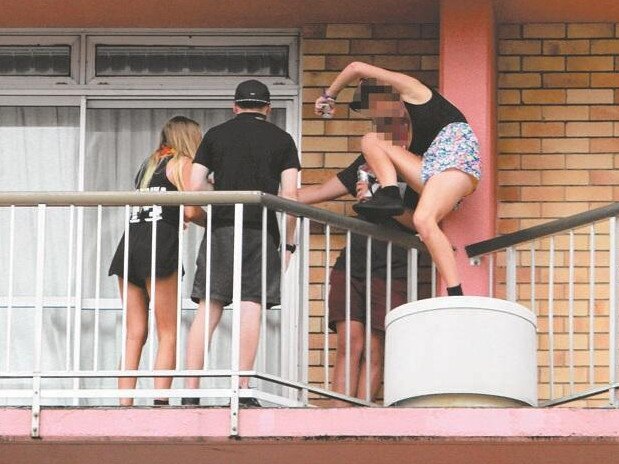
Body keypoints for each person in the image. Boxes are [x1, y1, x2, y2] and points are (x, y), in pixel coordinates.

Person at [315, 62, 481, 297]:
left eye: (380, 107)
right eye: (375, 113)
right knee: (372, 140)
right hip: (433, 173)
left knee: (424, 220)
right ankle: (388, 194)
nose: (381, 116)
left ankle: (456, 294)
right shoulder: (403, 140)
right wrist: (372, 190)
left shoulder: (415, 91)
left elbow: (355, 67)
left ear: (391, 95)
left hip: (457, 163)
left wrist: (329, 96)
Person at [183, 79, 300, 407]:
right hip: (261, 230)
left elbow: (194, 187)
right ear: (268, 109)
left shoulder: (215, 135)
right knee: (251, 305)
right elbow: (290, 195)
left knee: (209, 305)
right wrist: (288, 244)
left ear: (235, 107)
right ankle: (243, 388)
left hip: (221, 228)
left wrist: (217, 194)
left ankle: (190, 391)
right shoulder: (283, 139)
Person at [298, 155, 418, 403]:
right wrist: (256, 190)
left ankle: (360, 416)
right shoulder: (366, 162)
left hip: (391, 266)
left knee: (374, 349)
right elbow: (320, 191)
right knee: (349, 343)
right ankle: (338, 415)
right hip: (353, 260)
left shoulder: (414, 165)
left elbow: (419, 221)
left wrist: (379, 197)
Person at [109, 116, 204, 406]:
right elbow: (190, 212)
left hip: (130, 245)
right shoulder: (184, 163)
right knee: (168, 331)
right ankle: (160, 401)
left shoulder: (148, 165)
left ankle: (124, 403)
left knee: (134, 332)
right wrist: (211, 220)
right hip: (159, 246)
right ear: (190, 138)